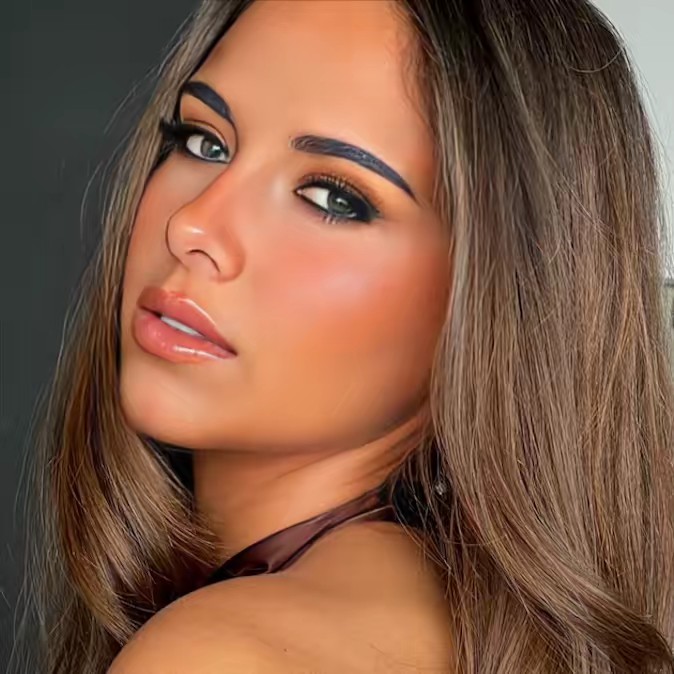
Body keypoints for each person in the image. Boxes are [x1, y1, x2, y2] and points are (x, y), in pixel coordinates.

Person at [11, 0, 674, 672]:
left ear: (496, 296)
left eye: (333, 198)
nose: (192, 226)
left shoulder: (221, 655)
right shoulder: (446, 626)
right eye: (204, 142)